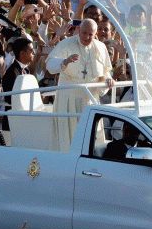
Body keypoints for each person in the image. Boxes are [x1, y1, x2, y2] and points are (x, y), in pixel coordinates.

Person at [47, 19, 114, 147]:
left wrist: (108, 79)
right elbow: (49, 64)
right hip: (68, 101)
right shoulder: (66, 44)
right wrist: (64, 62)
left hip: (90, 101)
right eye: (84, 33)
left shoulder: (101, 47)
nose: (86, 37)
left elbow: (105, 71)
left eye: (90, 34)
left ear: (95, 34)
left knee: (91, 143)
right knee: (68, 141)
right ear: (79, 30)